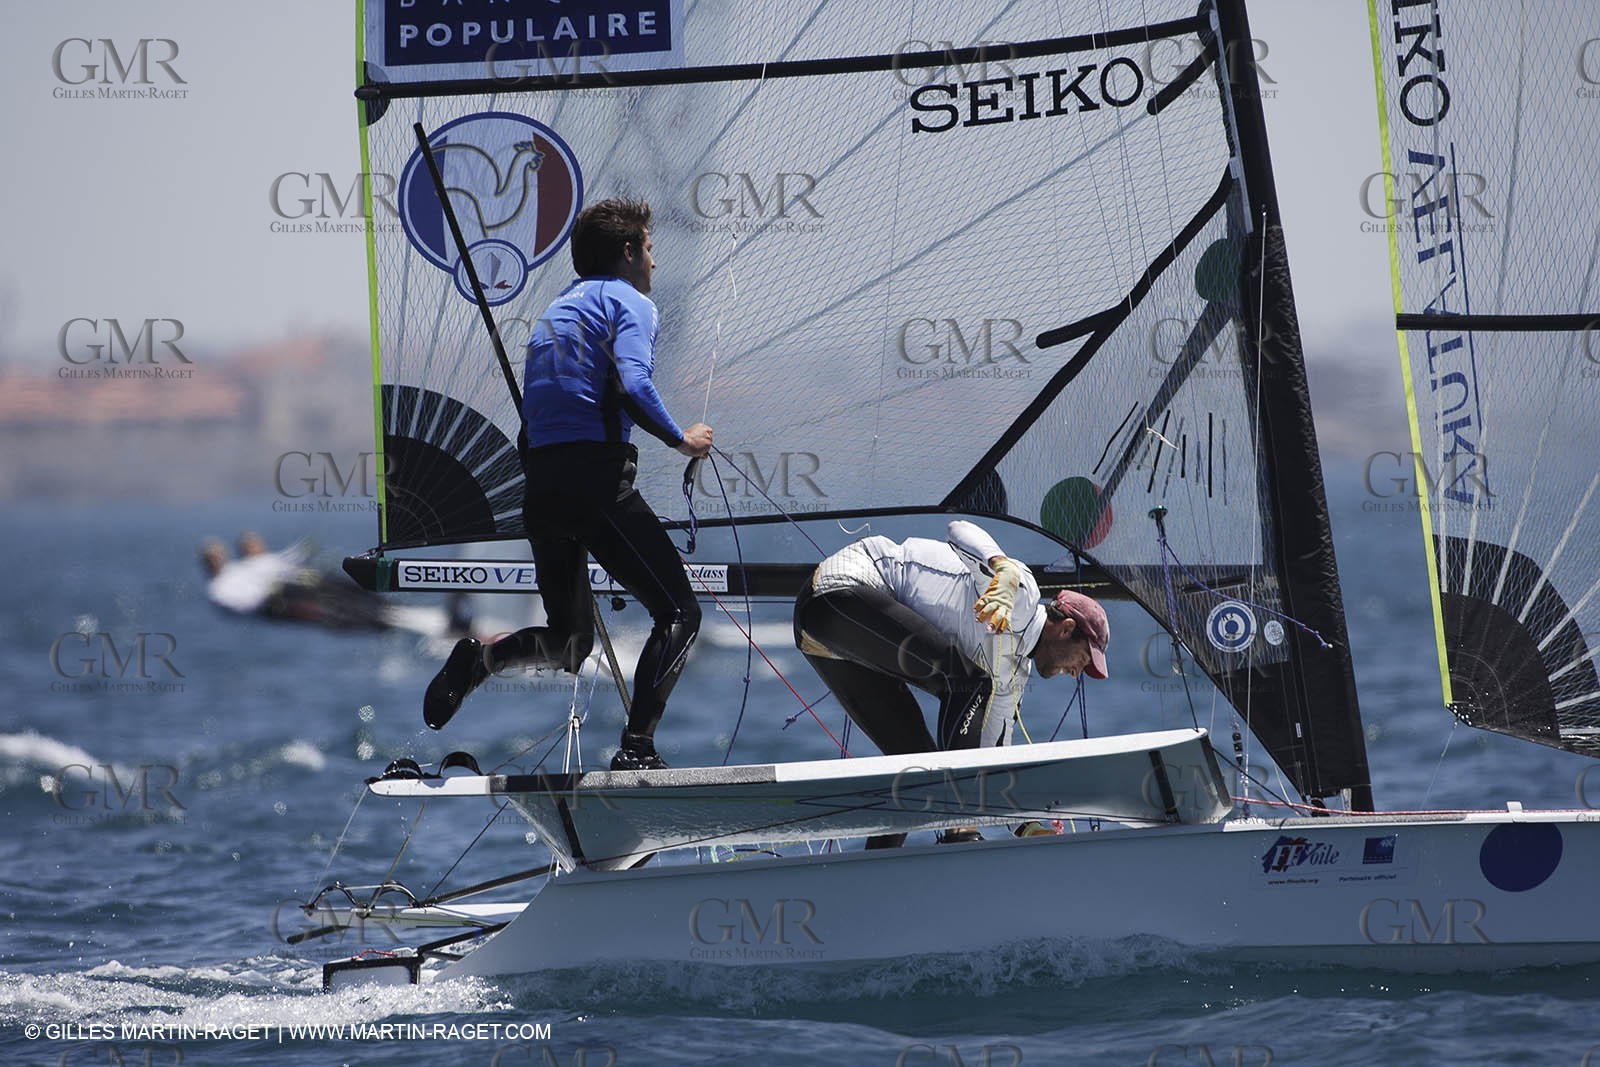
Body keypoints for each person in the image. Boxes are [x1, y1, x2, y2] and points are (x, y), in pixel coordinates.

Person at [423, 197, 713, 772]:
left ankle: (481, 660)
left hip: (543, 489)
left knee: (572, 641)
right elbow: (633, 383)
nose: (654, 264)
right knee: (680, 614)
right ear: (629, 252)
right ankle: (637, 751)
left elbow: (533, 427)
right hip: (596, 483)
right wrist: (682, 440)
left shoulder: (556, 312)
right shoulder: (629, 301)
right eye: (650, 250)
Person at [793, 520, 1109, 844]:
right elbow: (959, 528)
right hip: (839, 591)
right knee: (970, 684)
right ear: (1067, 628)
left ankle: (873, 874)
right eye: (1082, 660)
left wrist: (1027, 823)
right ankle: (960, 825)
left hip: (824, 639)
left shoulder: (1011, 679)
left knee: (916, 774)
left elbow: (991, 761)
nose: (1076, 673)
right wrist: (1004, 569)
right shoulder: (1021, 595)